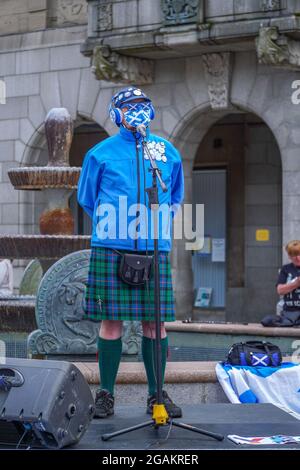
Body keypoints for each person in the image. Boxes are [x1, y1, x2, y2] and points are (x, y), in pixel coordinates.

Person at [77, 86, 184, 418]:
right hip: (112, 246)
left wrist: (157, 225)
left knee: (156, 326)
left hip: (155, 247)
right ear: (116, 114)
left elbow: (175, 194)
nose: (137, 111)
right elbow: (87, 198)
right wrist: (118, 226)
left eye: (142, 105)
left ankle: (157, 396)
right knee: (112, 323)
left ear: (150, 111)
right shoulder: (100, 153)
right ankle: (106, 395)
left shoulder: (166, 152)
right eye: (130, 106)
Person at [262, 240, 300, 327]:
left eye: (299, 254)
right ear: (289, 256)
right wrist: (296, 284)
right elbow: (280, 290)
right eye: (294, 255)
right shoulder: (286, 269)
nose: (297, 258)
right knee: (267, 321)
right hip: (289, 312)